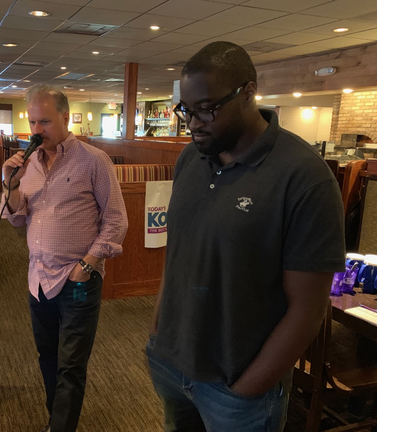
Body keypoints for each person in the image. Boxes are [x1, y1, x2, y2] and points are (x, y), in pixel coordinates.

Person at [147, 41, 346, 432]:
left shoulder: (305, 178)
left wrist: (247, 388)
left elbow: (307, 309)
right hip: (171, 364)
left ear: (249, 92)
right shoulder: (191, 157)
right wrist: (158, 335)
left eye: (207, 108)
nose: (194, 122)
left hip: (237, 388)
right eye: (186, 110)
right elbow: (180, 254)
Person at [1, 84, 128, 432]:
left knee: (71, 364)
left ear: (65, 117)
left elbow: (117, 220)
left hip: (77, 281)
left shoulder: (93, 160)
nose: (37, 130)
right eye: (32, 122)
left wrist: (87, 266)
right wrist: (10, 185)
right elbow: (16, 217)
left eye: (45, 121)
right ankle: (55, 420)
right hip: (37, 278)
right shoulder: (27, 164)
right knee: (48, 356)